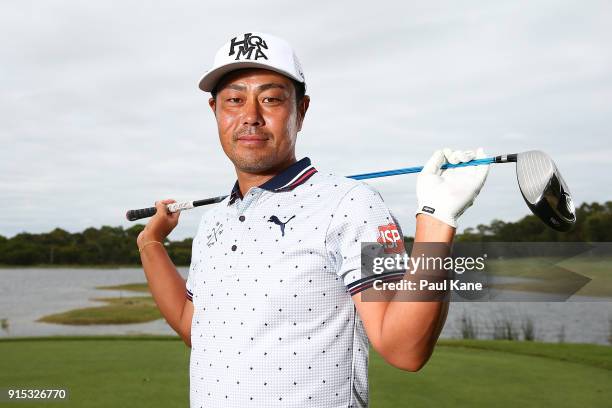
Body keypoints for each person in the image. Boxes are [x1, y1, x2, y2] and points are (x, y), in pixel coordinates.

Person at [137, 31, 489, 408]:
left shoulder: (352, 205)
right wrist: (150, 244)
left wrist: (438, 219)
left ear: (301, 111)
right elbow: (196, 327)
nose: (251, 117)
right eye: (235, 101)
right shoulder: (214, 222)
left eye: (271, 99)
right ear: (215, 112)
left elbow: (404, 350)